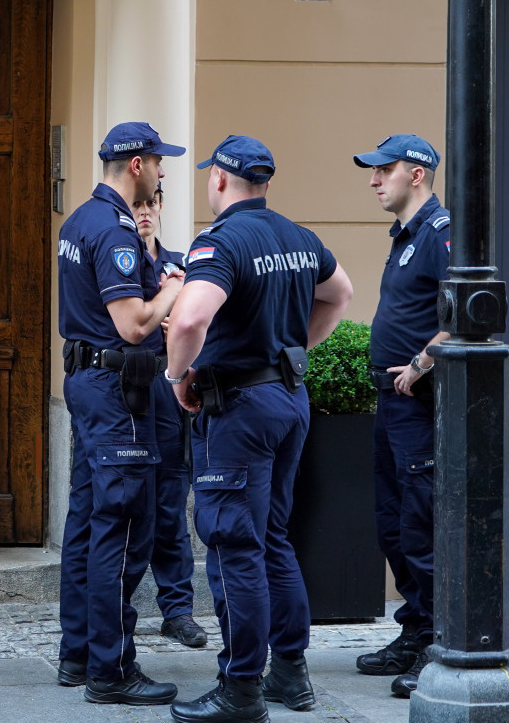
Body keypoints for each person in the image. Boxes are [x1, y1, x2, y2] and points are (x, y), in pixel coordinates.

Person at [163, 135, 353, 723]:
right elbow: (340, 294)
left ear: (219, 180)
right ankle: (290, 675)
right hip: (287, 398)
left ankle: (241, 688)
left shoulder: (220, 242)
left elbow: (191, 315)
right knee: (272, 538)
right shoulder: (298, 236)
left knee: (233, 545)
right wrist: (292, 354)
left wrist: (177, 375)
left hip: (239, 410)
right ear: (264, 183)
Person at [56, 122, 187, 705]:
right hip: (116, 393)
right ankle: (111, 669)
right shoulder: (114, 232)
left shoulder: (78, 221)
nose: (163, 174)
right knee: (123, 526)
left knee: (86, 522)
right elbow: (134, 323)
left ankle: (78, 653)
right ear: (137, 165)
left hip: (87, 384)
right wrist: (174, 288)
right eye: (159, 163)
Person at [350, 134, 450, 698]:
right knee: (392, 524)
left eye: (382, 170)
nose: (373, 181)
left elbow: (467, 309)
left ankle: (437, 643)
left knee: (420, 524)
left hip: (417, 402)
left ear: (416, 175)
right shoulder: (406, 235)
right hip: (392, 403)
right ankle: (414, 631)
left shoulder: (439, 232)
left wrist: (420, 361)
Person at [132, 183, 209, 649]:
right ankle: (110, 609)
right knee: (126, 505)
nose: (144, 212)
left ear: (161, 206)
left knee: (169, 504)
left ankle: (178, 609)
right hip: (126, 397)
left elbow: (203, 320)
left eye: (150, 204)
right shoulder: (118, 259)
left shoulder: (181, 263)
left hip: (170, 399)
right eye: (136, 204)